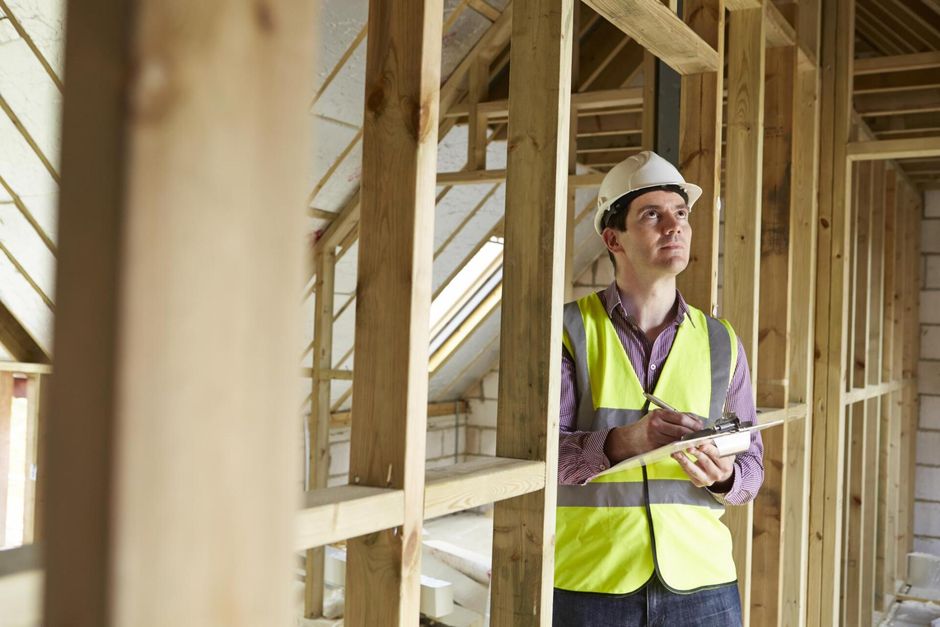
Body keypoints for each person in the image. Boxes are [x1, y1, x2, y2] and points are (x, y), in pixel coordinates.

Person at [553, 151, 764, 626]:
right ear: (613, 238)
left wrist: (724, 476)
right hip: (591, 579)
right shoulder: (568, 330)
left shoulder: (720, 341)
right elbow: (539, 456)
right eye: (652, 214)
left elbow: (752, 467)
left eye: (682, 213)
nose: (675, 227)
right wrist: (625, 441)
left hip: (702, 582)